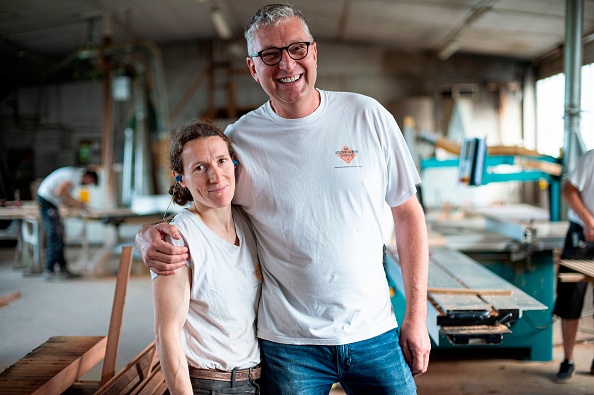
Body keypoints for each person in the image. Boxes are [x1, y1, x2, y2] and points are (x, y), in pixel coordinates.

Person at [137, 4, 430, 394]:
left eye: (296, 49)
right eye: (270, 55)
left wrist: (416, 315)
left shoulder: (367, 116)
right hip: (289, 345)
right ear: (252, 68)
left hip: (373, 330)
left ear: (314, 53)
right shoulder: (239, 140)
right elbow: (205, 204)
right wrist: (147, 235)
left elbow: (408, 213)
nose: (286, 64)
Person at [152, 120, 263, 394]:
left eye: (222, 161)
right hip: (207, 385)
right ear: (181, 178)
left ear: (234, 163)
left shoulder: (247, 221)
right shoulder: (179, 239)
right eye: (199, 168)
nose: (216, 177)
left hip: (254, 380)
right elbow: (167, 333)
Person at [553, 148, 594, 382]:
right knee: (571, 299)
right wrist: (589, 222)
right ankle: (568, 360)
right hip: (582, 232)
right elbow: (568, 190)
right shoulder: (591, 158)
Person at [37, 166, 98, 280]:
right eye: (90, 182)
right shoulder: (74, 176)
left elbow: (62, 195)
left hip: (51, 202)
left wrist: (75, 204)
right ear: (88, 177)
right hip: (47, 201)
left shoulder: (73, 175)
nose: (88, 185)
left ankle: (63, 268)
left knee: (59, 236)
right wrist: (77, 203)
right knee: (55, 235)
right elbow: (59, 192)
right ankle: (49, 270)